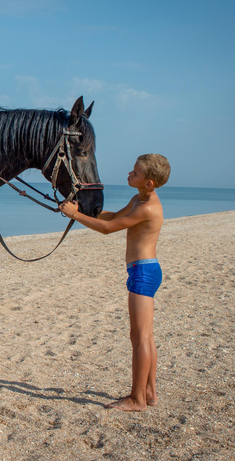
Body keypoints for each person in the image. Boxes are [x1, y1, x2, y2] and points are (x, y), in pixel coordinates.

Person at [59, 154, 171, 411]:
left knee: (139, 337)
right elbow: (111, 218)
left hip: (143, 272)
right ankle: (150, 391)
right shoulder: (138, 199)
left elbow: (108, 229)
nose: (129, 174)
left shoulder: (148, 207)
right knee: (147, 337)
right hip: (142, 270)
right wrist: (83, 210)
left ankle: (137, 399)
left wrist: (75, 216)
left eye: (135, 173)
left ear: (149, 183)